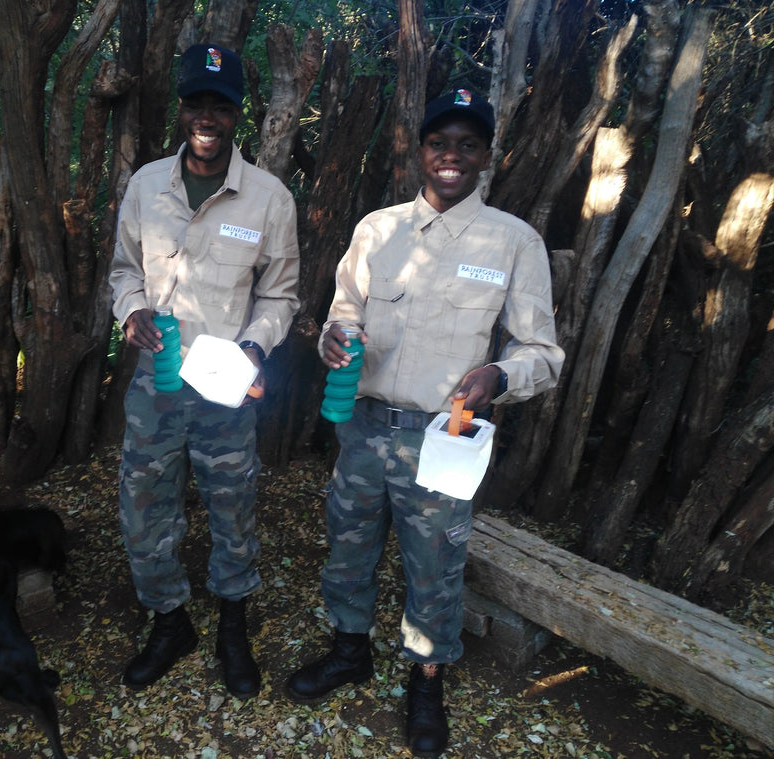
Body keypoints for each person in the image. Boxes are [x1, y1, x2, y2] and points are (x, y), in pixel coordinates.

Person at [285, 88, 564, 756]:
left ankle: (426, 678)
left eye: (468, 144)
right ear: (420, 149)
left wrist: (499, 376)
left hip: (443, 439)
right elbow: (345, 309)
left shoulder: (513, 242)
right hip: (363, 425)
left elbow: (543, 355)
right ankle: (350, 648)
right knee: (348, 547)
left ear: (485, 156)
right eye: (440, 142)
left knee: (435, 565)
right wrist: (334, 336)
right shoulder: (378, 229)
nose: (452, 156)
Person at [108, 43, 300, 700]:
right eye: (198, 102)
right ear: (182, 107)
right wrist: (131, 310)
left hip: (224, 384)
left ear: (237, 113)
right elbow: (125, 270)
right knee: (143, 506)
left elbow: (281, 295)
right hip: (157, 380)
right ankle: (169, 621)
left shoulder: (269, 199)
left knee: (233, 507)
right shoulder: (145, 187)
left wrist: (254, 347)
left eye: (221, 104)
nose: (208, 116)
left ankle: (232, 625)